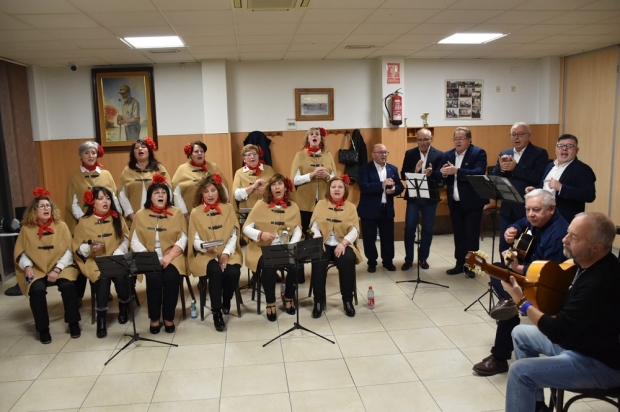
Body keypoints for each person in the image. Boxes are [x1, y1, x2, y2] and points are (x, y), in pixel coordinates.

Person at [503, 212, 620, 412]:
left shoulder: (599, 282)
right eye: (568, 233)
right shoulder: (588, 264)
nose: (564, 240)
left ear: (596, 248)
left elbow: (558, 331)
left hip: (601, 364)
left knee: (520, 372)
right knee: (520, 333)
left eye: (573, 237)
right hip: (580, 343)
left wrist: (521, 301)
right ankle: (537, 406)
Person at [472, 189, 568, 377]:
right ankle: (512, 302)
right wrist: (513, 229)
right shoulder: (537, 221)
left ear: (551, 209)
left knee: (507, 286)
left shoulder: (558, 234)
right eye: (528, 209)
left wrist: (520, 270)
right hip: (529, 275)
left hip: (547, 287)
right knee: (498, 271)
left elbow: (550, 275)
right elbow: (522, 222)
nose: (531, 214)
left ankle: (499, 357)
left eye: (536, 210)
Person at [14, 188, 80, 344]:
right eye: (42, 206)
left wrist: (57, 269)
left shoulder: (61, 226)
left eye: (48, 206)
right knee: (36, 290)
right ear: (34, 210)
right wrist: (28, 267)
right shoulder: (27, 229)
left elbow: (69, 251)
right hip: (36, 268)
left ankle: (73, 323)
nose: (46, 209)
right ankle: (42, 329)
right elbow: (21, 253)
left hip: (61, 267)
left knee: (68, 286)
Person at [130, 174, 187, 334]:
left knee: (171, 278)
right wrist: (146, 254)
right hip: (149, 256)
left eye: (163, 192)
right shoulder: (141, 214)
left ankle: (168, 317)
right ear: (150, 197)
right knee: (154, 279)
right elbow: (134, 239)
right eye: (156, 193)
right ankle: (154, 318)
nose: (161, 195)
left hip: (173, 255)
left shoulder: (176, 213)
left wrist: (169, 256)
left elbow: (183, 237)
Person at [65, 141, 121, 305]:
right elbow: (72, 202)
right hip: (85, 224)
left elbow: (114, 197)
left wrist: (116, 216)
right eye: (87, 153)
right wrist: (86, 220)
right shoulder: (75, 177)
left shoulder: (106, 174)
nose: (90, 156)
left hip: (108, 221)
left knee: (111, 251)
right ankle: (79, 296)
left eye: (93, 153)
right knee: (84, 256)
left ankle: (110, 292)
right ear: (81, 155)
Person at [242, 174, 303, 322]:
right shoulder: (260, 204)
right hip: (263, 248)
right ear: (270, 188)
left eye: (280, 184)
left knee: (297, 267)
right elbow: (246, 228)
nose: (277, 187)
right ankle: (270, 302)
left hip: (285, 247)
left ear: (285, 187)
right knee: (268, 267)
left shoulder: (293, 206)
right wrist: (260, 234)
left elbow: (297, 230)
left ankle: (288, 297)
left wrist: (291, 246)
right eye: (274, 184)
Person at [73, 187, 131, 338]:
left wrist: (118, 253)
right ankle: (101, 318)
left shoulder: (116, 217)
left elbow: (126, 238)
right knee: (103, 278)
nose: (105, 201)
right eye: (100, 198)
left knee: (120, 276)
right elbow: (78, 249)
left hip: (117, 258)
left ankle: (124, 307)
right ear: (93, 202)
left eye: (107, 198)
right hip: (96, 261)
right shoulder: (84, 222)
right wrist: (90, 248)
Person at [188, 174, 243, 332]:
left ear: (219, 191)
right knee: (215, 271)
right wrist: (205, 247)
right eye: (206, 191)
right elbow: (195, 239)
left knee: (233, 272)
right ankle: (216, 312)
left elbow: (234, 235)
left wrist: (225, 253)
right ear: (201, 194)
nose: (210, 194)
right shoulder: (196, 212)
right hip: (207, 254)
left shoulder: (228, 208)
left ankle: (226, 299)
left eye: (213, 190)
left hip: (228, 251)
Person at [437, 127, 488, 277]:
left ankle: (472, 266)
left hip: (473, 203)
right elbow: (441, 175)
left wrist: (457, 171)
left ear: (469, 140)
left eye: (461, 138)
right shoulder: (447, 154)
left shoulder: (478, 153)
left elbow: (479, 172)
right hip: (455, 202)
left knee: (471, 235)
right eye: (455, 138)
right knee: (459, 235)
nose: (458, 141)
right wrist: (441, 173)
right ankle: (459, 263)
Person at [492, 122, 549, 255]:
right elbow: (495, 176)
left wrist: (516, 168)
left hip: (527, 208)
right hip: (507, 207)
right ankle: (505, 273)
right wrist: (501, 167)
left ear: (529, 136)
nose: (516, 138)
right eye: (513, 135)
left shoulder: (539, 153)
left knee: (526, 247)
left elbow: (538, 177)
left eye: (520, 134)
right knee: (505, 246)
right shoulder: (504, 153)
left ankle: (521, 272)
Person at [309, 175, 361, 318]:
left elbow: (355, 230)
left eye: (340, 187)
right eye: (333, 187)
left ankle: (347, 301)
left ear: (345, 190)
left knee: (347, 261)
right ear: (329, 189)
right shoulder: (321, 204)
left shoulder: (350, 207)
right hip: (324, 243)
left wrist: (343, 243)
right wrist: (319, 240)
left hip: (342, 244)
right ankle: (318, 301)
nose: (337, 189)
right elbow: (314, 225)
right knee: (318, 261)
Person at [526, 134, 596, 224]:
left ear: (576, 150)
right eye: (561, 146)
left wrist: (561, 188)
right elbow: (546, 188)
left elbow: (589, 195)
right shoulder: (550, 166)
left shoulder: (582, 169)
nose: (564, 149)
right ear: (556, 149)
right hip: (544, 217)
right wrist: (536, 190)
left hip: (565, 220)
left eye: (570, 146)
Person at [400, 128, 443, 270]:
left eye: (426, 139)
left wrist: (432, 173)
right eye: (419, 139)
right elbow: (403, 174)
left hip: (430, 198)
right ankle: (408, 259)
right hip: (413, 197)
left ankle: (423, 258)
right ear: (416, 140)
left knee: (428, 229)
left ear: (431, 139)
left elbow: (442, 177)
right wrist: (415, 172)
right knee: (409, 228)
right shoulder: (410, 153)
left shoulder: (439, 155)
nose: (422, 142)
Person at [357, 144, 404, 273]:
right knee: (369, 237)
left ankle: (388, 261)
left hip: (386, 208)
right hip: (369, 209)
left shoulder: (392, 168)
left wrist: (394, 190)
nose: (384, 155)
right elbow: (364, 187)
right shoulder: (365, 169)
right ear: (373, 154)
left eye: (385, 152)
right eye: (380, 152)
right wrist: (381, 184)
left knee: (388, 237)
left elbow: (400, 186)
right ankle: (372, 262)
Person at [290, 127, 336, 236]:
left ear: (321, 139)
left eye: (317, 134)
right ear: (308, 139)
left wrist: (327, 176)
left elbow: (335, 180)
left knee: (322, 230)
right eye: (311, 134)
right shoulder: (300, 155)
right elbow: (294, 180)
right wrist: (311, 175)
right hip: (304, 201)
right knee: (305, 230)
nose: (314, 135)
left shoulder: (328, 155)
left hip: (324, 200)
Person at [172, 141, 229, 221]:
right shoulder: (182, 169)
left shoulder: (214, 167)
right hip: (191, 216)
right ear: (190, 155)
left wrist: (225, 208)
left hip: (216, 215)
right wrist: (185, 215)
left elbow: (224, 189)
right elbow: (176, 194)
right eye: (196, 151)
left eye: (202, 151)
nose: (200, 153)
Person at [118, 137, 169, 223]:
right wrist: (130, 214)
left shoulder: (159, 168)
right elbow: (121, 194)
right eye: (136, 148)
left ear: (149, 150)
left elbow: (168, 190)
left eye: (143, 146)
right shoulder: (127, 170)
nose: (140, 149)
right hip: (134, 217)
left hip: (158, 215)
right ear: (133, 153)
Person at [232, 144, 276, 211]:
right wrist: (253, 187)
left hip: (267, 210)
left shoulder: (269, 169)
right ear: (244, 159)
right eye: (248, 155)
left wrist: (267, 191)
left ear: (258, 156)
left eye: (255, 154)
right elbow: (237, 196)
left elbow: (277, 189)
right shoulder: (239, 173)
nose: (252, 156)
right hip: (247, 211)